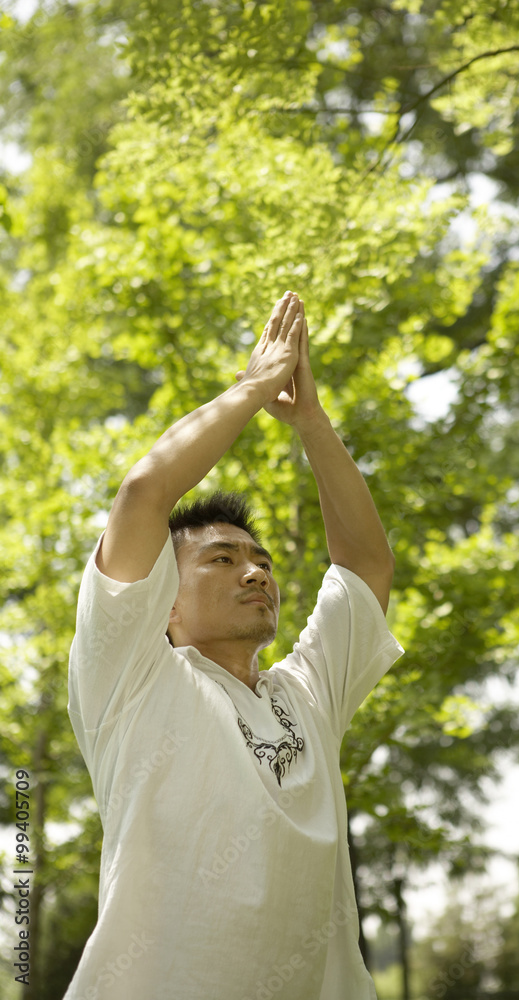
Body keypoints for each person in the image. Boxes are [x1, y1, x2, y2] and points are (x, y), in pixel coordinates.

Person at [64, 290, 405, 1000]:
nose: (254, 571)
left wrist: (309, 420)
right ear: (162, 605)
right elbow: (143, 493)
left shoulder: (305, 694)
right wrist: (254, 388)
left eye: (262, 562)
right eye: (220, 559)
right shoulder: (129, 677)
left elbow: (367, 566)